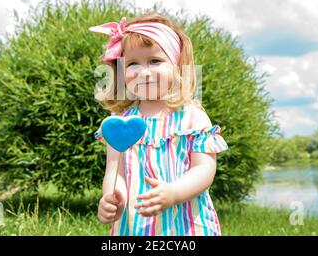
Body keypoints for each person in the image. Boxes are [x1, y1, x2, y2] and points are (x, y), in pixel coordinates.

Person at [90, 13, 229, 236]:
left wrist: (173, 193)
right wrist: (113, 197)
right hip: (136, 225)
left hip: (187, 224)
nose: (144, 72)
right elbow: (116, 173)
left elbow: (204, 169)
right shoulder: (120, 124)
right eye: (133, 63)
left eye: (155, 61)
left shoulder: (192, 118)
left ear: (176, 66)